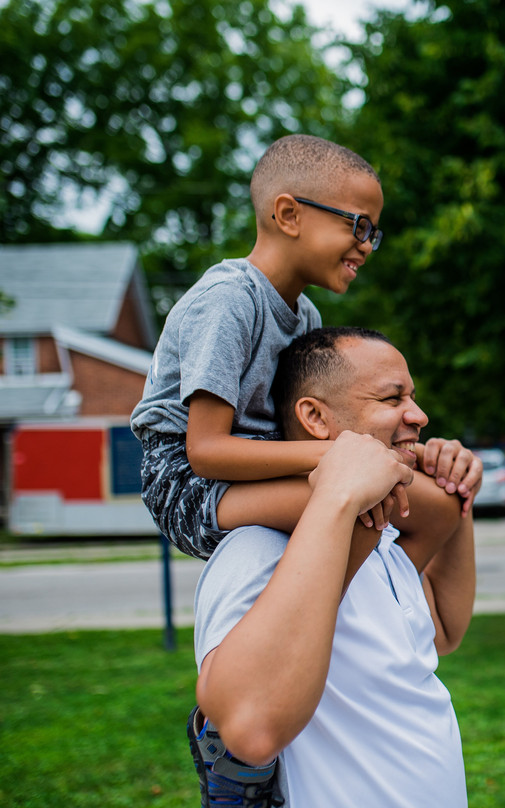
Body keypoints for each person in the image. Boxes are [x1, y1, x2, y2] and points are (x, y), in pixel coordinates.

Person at [130, 134, 480, 562]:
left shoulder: (306, 317)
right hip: (189, 486)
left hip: (269, 462)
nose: (367, 245)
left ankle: (388, 621)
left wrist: (422, 455)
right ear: (289, 215)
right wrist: (351, 456)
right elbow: (205, 451)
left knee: (437, 506)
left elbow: (313, 427)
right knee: (364, 500)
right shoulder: (229, 300)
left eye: (374, 232)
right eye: (358, 225)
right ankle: (304, 626)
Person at [191, 326, 476, 806]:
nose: (419, 415)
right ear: (315, 418)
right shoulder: (258, 549)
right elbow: (251, 730)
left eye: (414, 397)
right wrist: (339, 494)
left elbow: (444, 631)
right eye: (392, 398)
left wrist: (456, 488)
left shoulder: (379, 538)